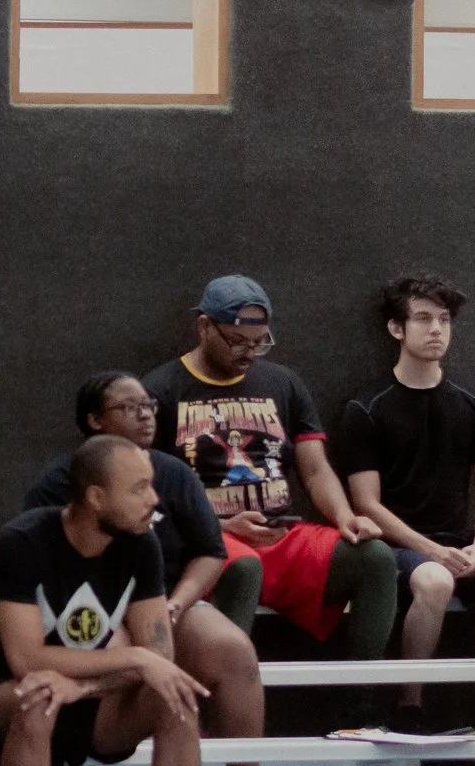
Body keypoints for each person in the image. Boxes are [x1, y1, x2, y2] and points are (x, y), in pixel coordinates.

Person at [0, 436, 245, 766]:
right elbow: (26, 658)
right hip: (10, 700)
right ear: (97, 497)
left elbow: (160, 657)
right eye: (140, 488)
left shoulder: (141, 546)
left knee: (177, 696)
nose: (154, 500)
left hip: (96, 702)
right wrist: (134, 658)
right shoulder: (23, 541)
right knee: (37, 696)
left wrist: (91, 684)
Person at [23, 373, 282, 766]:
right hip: (89, 608)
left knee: (233, 650)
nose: (145, 415)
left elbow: (211, 550)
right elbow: (39, 559)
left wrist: (178, 605)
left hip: (165, 602)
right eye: (129, 407)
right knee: (97, 651)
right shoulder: (58, 480)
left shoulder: (173, 472)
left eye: (149, 406)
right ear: (94, 420)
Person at [140, 275, 396, 673]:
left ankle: (361, 702)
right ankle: (220, 704)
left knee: (374, 558)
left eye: (260, 342)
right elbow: (148, 491)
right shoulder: (162, 390)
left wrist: (346, 518)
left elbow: (314, 468)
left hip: (280, 534)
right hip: (210, 542)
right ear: (204, 326)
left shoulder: (283, 383)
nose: (249, 353)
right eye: (238, 341)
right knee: (243, 567)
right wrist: (223, 523)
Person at [336, 274, 475, 727]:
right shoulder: (365, 408)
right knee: (435, 583)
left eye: (444, 319)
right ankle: (410, 704)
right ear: (396, 329)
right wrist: (430, 551)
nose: (436, 329)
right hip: (401, 549)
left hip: (462, 545)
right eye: (423, 318)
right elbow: (366, 504)